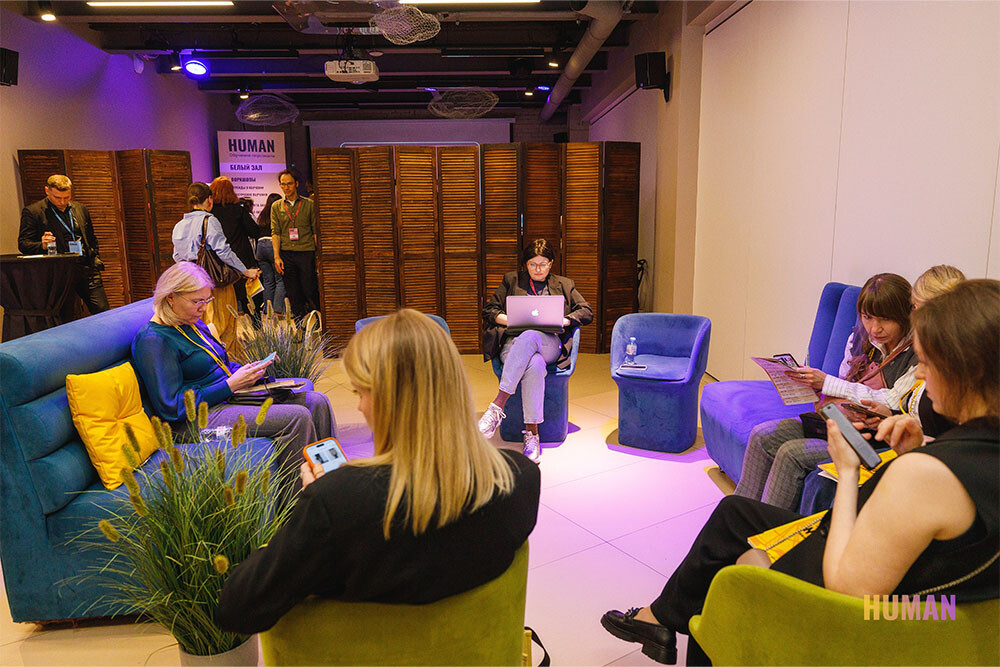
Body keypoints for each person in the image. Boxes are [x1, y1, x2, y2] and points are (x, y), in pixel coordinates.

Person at [601, 279, 999, 665]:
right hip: (931, 606)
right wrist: (918, 447)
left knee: (726, 582)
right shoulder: (975, 452)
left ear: (964, 370)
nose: (920, 376)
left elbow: (849, 588)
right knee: (734, 512)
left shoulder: (927, 476)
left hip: (870, 609)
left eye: (926, 364)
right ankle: (660, 619)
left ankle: (691, 631)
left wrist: (847, 470)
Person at [214, 309, 540, 633]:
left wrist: (314, 505)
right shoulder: (522, 479)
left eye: (361, 393)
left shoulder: (336, 503)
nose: (358, 406)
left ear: (389, 399)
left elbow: (236, 608)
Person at [733, 273, 917, 511]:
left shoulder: (915, 353)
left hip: (871, 440)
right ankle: (743, 518)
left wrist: (828, 383)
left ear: (905, 316)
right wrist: (818, 393)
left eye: (886, 319)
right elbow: (844, 383)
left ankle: (771, 529)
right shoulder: (858, 338)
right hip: (837, 423)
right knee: (761, 435)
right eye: (867, 317)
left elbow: (892, 399)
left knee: (791, 454)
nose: (875, 328)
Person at [131, 262, 335, 470]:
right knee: (297, 418)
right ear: (170, 297)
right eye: (196, 301)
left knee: (317, 402)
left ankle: (329, 477)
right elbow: (172, 407)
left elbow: (219, 362)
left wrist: (247, 371)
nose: (203, 308)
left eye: (206, 300)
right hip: (193, 421)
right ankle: (304, 490)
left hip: (225, 398)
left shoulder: (189, 321)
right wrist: (230, 385)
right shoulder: (154, 340)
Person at [479, 239, 593, 462]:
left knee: (531, 336)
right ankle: (532, 435)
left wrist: (564, 320)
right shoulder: (511, 280)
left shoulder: (564, 284)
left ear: (551, 264)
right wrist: (511, 319)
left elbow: (586, 311)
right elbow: (489, 310)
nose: (538, 269)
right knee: (535, 363)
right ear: (526, 264)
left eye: (543, 264)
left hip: (549, 343)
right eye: (532, 264)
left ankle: (497, 406)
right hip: (514, 344)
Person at [172, 182, 259, 352]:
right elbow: (224, 251)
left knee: (199, 324)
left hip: (191, 283)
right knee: (222, 325)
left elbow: (176, 256)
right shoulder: (209, 221)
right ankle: (225, 361)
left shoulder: (179, 225)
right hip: (215, 283)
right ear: (209, 200)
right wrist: (245, 270)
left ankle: (206, 358)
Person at [18, 174, 109, 314]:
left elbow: (91, 238)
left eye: (67, 197)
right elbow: (23, 244)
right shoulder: (33, 212)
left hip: (86, 268)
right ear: (47, 191)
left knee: (103, 311)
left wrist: (95, 257)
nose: (62, 202)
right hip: (59, 274)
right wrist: (42, 245)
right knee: (67, 316)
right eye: (57, 198)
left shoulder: (80, 208)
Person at [270, 169, 319, 320]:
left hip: (306, 252)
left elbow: (315, 232)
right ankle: (299, 324)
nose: (286, 187)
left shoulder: (309, 204)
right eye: (283, 184)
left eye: (289, 184)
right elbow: (275, 233)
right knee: (293, 293)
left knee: (310, 290)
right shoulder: (276, 206)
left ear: (296, 184)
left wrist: (318, 255)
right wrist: (276, 256)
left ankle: (316, 321)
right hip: (287, 254)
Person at [209, 177, 259, 316]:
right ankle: (255, 323)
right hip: (242, 256)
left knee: (222, 299)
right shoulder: (238, 210)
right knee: (248, 296)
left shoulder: (210, 214)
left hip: (218, 260)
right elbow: (254, 231)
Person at [254, 192, 286, 314]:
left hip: (260, 246)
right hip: (272, 245)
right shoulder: (278, 213)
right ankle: (277, 310)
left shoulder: (262, 215)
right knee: (280, 280)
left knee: (268, 281)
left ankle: (267, 311)